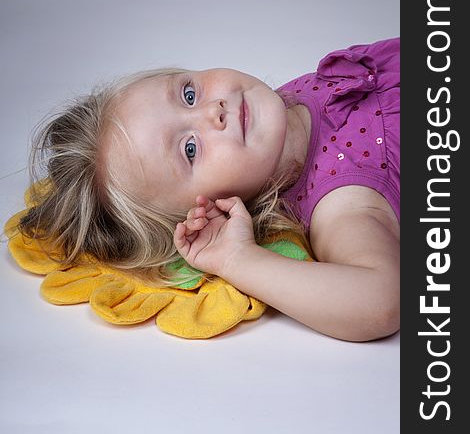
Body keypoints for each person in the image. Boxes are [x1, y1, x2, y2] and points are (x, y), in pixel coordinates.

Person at [18, 37, 400, 342]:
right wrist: (239, 260)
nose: (212, 110)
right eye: (190, 149)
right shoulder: (344, 199)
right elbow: (381, 302)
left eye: (188, 94)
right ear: (212, 207)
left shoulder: (288, 104)